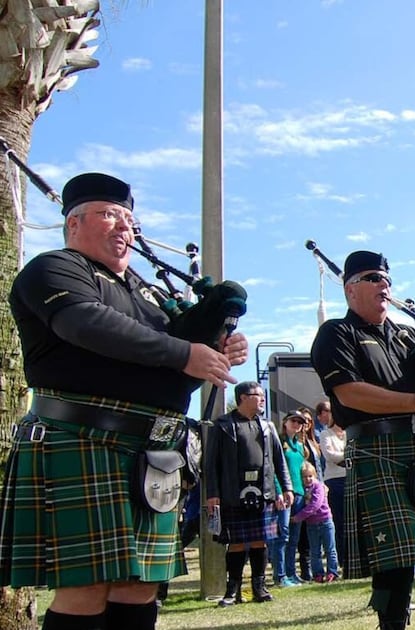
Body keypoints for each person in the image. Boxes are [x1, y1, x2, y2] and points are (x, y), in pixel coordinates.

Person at [0, 172, 248, 630]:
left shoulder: (146, 292)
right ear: (73, 223)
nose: (123, 226)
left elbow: (175, 373)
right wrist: (184, 352)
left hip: (150, 454)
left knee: (140, 585)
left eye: (128, 218)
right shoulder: (56, 269)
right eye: (109, 214)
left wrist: (213, 342)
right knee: (86, 586)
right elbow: (86, 324)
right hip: (82, 441)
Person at [310, 250, 415, 629]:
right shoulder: (337, 333)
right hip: (377, 451)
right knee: (393, 562)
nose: (383, 284)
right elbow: (349, 392)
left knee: (408, 558)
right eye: (372, 278)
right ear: (350, 289)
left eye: (386, 278)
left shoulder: (408, 335)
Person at [205, 381, 293, 607]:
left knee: (259, 541)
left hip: (263, 492)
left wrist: (287, 488)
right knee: (235, 543)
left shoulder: (267, 426)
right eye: (258, 395)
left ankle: (259, 588)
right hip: (232, 493)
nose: (262, 399)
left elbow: (279, 460)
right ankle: (232, 591)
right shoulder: (223, 425)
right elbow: (211, 463)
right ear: (243, 397)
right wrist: (212, 493)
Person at [275, 410, 311, 586]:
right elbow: (275, 469)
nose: (296, 424)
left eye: (300, 422)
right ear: (285, 422)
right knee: (282, 534)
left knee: (294, 538)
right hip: (285, 493)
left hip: (299, 494)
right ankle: (280, 575)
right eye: (293, 421)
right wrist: (278, 491)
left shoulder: (300, 446)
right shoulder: (279, 443)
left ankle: (291, 573)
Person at [291, 462, 339, 582]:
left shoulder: (318, 487)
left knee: (330, 549)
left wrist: (298, 517)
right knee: (315, 551)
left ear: (315, 475)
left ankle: (332, 572)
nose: (308, 479)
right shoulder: (302, 490)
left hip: (325, 521)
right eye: (304, 477)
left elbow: (315, 505)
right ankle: (318, 573)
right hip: (311, 524)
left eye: (310, 476)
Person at [318, 402, 349, 571]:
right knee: (339, 521)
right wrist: (348, 455)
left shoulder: (349, 433)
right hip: (334, 481)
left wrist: (343, 457)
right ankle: (342, 558)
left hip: (350, 478)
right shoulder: (325, 434)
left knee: (352, 520)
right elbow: (330, 456)